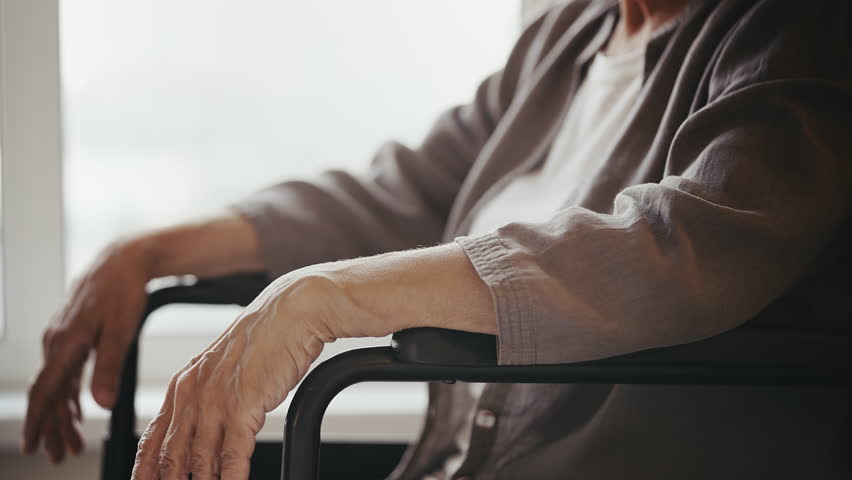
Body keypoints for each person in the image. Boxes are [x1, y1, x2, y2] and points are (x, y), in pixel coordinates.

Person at [21, 0, 852, 478]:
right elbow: (407, 191)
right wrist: (142, 254)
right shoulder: (571, 38)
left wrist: (323, 301)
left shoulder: (795, 30)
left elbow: (681, 247)